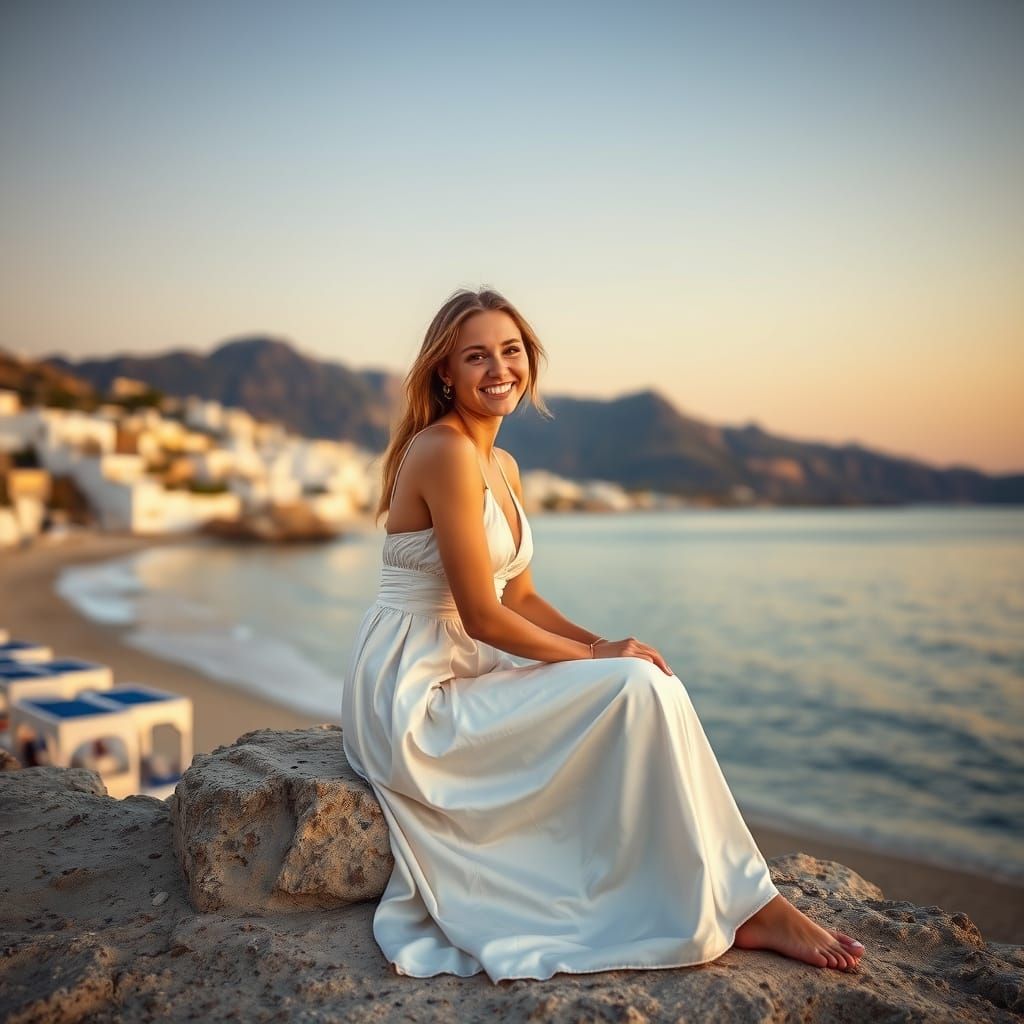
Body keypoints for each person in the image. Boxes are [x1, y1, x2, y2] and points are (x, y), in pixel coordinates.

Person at [341, 287, 865, 983]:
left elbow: (521, 594)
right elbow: (482, 615)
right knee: (630, 683)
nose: (499, 368)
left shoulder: (502, 465)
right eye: (476, 356)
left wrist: (608, 643)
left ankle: (749, 898)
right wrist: (596, 658)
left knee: (650, 678)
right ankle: (746, 906)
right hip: (412, 693)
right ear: (445, 372)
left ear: (529, 360)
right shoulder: (442, 449)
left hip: (459, 666)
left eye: (511, 350)